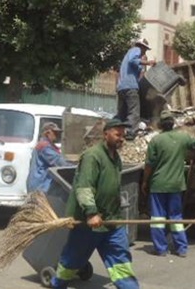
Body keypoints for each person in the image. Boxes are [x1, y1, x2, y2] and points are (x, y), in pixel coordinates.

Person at [51, 119, 139, 289]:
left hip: (111, 221)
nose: (121, 138)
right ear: (106, 134)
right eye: (117, 134)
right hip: (88, 224)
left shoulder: (116, 158)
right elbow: (84, 187)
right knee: (71, 261)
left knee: (121, 262)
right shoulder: (93, 155)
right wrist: (91, 213)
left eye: (123, 135)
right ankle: (58, 284)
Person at [141, 110, 195, 258]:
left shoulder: (156, 141)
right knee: (176, 217)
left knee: (157, 219)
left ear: (160, 125)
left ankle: (161, 249)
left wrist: (145, 182)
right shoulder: (182, 137)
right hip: (176, 185)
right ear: (173, 124)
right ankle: (181, 248)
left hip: (158, 185)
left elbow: (149, 165)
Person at [116, 38, 156, 140]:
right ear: (141, 46)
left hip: (121, 87)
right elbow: (133, 60)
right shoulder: (135, 50)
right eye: (145, 49)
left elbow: (137, 70)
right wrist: (148, 62)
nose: (144, 51)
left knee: (122, 113)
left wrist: (142, 67)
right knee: (134, 112)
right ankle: (130, 134)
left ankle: (117, 131)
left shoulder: (128, 55)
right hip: (130, 87)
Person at [26, 122, 71, 193]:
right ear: (47, 133)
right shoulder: (45, 146)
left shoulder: (46, 145)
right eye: (55, 133)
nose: (57, 135)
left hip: (39, 185)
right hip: (41, 186)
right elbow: (59, 163)